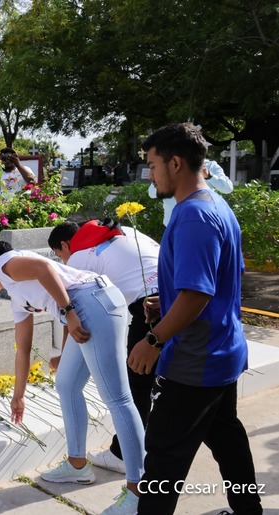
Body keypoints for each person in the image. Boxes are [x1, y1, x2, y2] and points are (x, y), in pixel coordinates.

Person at [128, 123, 262, 515]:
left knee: (163, 462)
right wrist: (165, 305)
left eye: (152, 166)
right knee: (228, 441)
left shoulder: (193, 217)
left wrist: (153, 340)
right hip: (221, 351)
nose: (150, 176)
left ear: (175, 162)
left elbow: (198, 294)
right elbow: (212, 282)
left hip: (195, 361)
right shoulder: (215, 206)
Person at [0, 240, 145, 515]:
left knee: (118, 398)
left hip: (90, 304)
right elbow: (23, 350)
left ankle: (139, 492)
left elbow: (44, 268)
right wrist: (18, 395)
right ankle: (78, 465)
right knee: (66, 384)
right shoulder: (17, 297)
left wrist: (68, 312)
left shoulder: (2, 264)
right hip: (87, 306)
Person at [49, 219, 161, 476]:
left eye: (59, 255)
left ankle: (125, 457)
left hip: (152, 307)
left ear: (66, 245)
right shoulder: (121, 232)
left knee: (134, 383)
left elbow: (73, 313)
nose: (63, 261)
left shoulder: (78, 256)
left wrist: (64, 357)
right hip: (177, 294)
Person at [148, 158, 233, 225]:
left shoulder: (210, 165)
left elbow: (227, 189)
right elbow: (151, 194)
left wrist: (209, 175)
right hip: (173, 226)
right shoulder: (168, 168)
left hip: (203, 224)